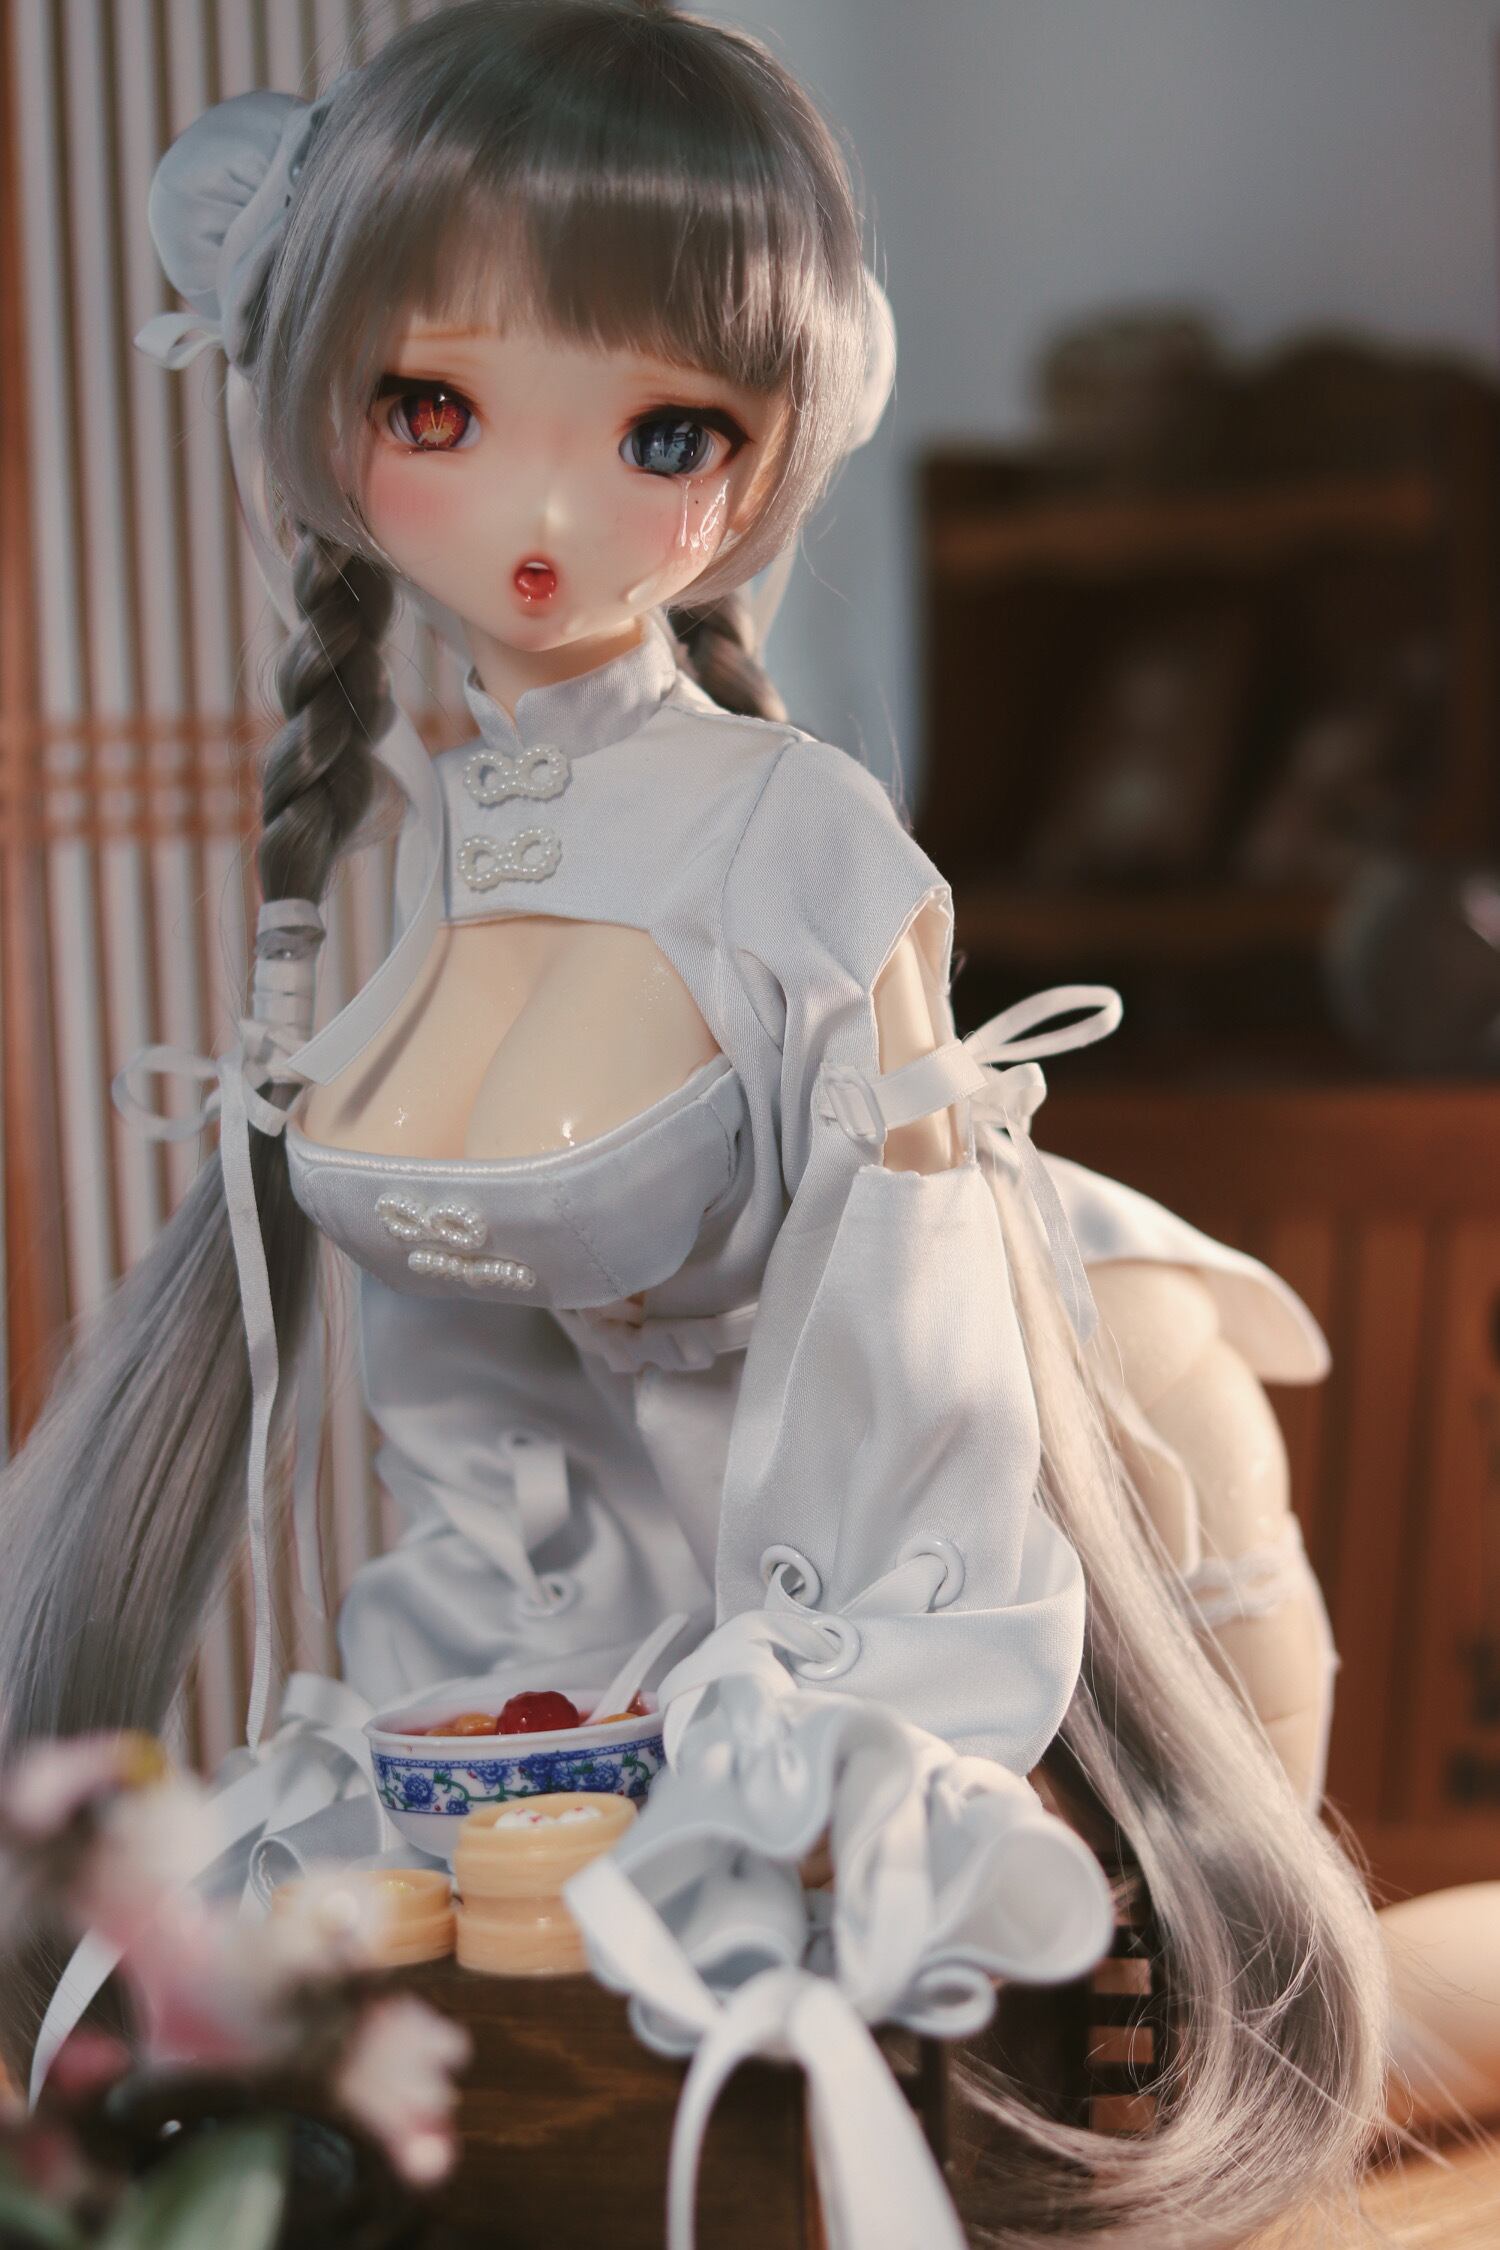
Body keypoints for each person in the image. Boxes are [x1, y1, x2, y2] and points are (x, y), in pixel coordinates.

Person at [0, 7, 1398, 2244]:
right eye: (438, 407)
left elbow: (915, 1355)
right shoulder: (462, 839)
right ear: (320, 407)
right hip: (645, 1630)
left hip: (965, 1564)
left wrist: (828, 1725)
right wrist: (493, 1696)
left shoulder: (801, 840)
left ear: (770, 449)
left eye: (665, 430)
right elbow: (480, 1394)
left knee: (1302, 2051)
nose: (549, 516)